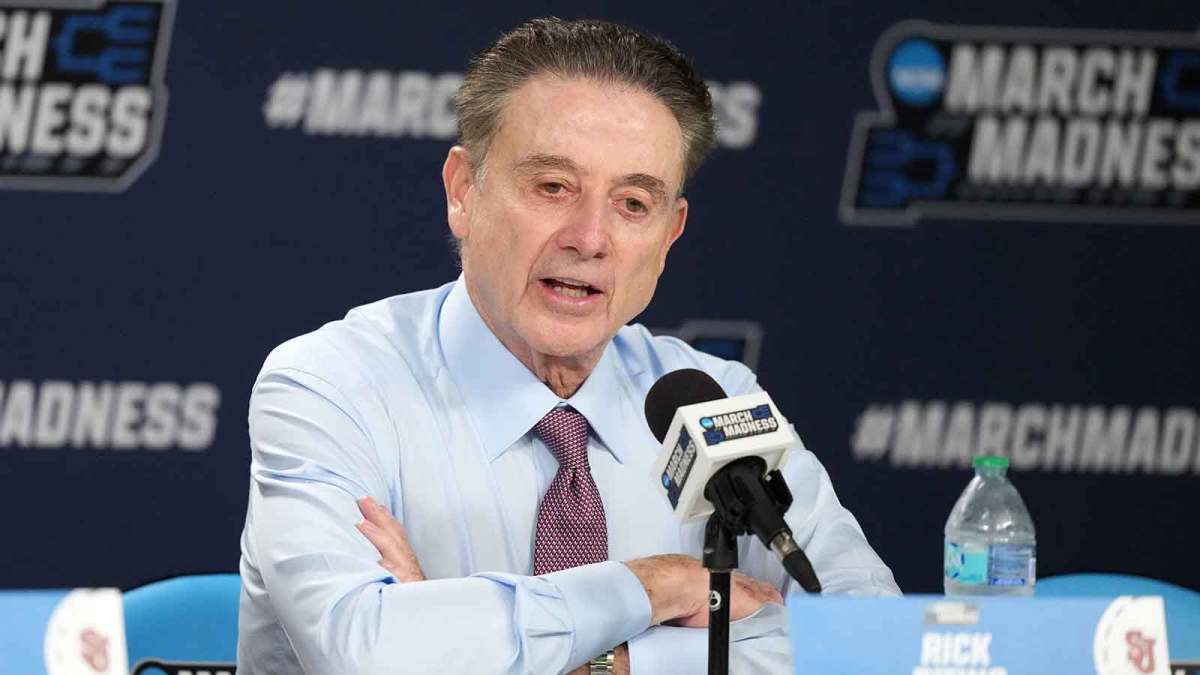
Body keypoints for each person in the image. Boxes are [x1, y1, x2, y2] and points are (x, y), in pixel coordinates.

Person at [237, 17, 899, 675]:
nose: (590, 237)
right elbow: (368, 652)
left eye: (634, 203)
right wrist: (649, 586)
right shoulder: (332, 387)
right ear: (464, 191)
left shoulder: (713, 400)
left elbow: (875, 643)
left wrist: (604, 663)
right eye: (553, 187)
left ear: (670, 234)